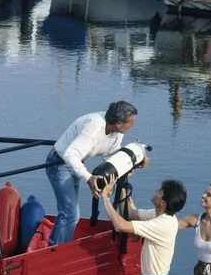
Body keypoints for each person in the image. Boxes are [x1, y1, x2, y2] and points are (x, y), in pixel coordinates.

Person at [45, 100, 148, 245]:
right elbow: (70, 154)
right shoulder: (94, 127)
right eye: (131, 122)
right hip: (60, 163)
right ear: (119, 123)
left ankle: (59, 246)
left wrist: (134, 161)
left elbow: (111, 152)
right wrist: (88, 178)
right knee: (70, 214)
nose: (133, 125)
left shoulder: (117, 132)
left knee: (69, 213)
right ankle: (54, 252)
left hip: (76, 164)